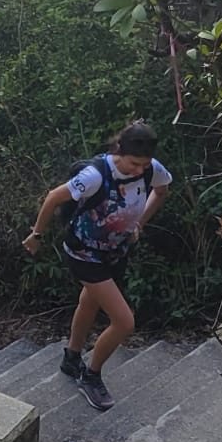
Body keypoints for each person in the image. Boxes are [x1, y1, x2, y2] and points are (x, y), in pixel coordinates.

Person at [22, 120, 172, 412]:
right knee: (124, 321)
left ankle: (71, 358)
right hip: (84, 254)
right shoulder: (95, 175)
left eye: (144, 164)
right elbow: (54, 197)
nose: (140, 170)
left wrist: (140, 222)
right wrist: (37, 234)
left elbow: (162, 190)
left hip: (116, 252)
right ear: (119, 150)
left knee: (89, 303)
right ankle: (90, 376)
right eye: (133, 163)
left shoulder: (152, 168)